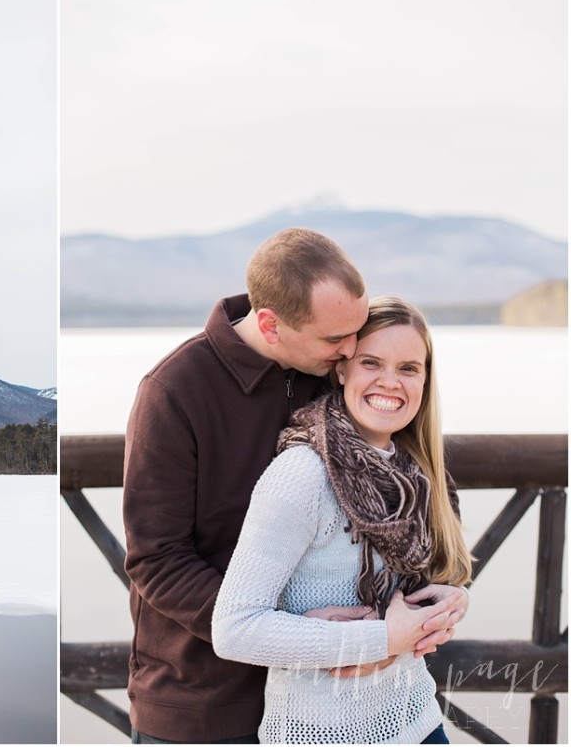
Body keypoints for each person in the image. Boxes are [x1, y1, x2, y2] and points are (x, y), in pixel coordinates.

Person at [122, 228, 468, 743]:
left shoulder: (331, 366)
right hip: (208, 702)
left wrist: (441, 600)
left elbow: (413, 482)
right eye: (338, 340)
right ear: (271, 324)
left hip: (339, 704)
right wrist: (316, 633)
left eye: (356, 335)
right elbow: (157, 558)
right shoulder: (174, 392)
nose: (352, 350)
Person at [211, 296, 474, 744]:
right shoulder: (303, 474)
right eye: (371, 362)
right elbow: (234, 630)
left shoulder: (416, 473)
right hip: (319, 732)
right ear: (341, 369)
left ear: (426, 381)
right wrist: (382, 640)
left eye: (409, 368)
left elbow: (416, 590)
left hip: (418, 721)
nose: (390, 382)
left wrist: (447, 604)